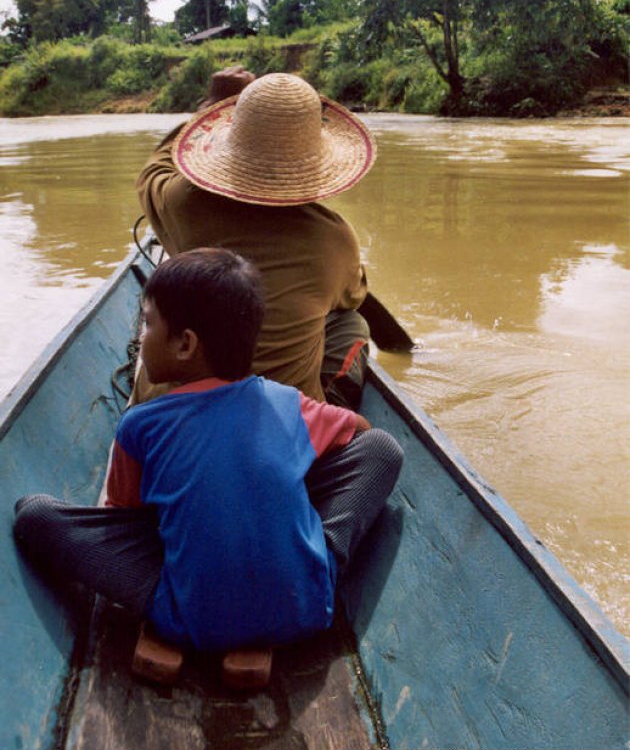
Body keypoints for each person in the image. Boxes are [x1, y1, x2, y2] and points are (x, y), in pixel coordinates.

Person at [14, 249, 403, 653]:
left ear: (185, 344)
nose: (139, 337)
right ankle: (315, 561)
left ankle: (188, 598)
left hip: (192, 620)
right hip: (308, 611)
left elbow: (125, 523)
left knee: (35, 514)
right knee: (384, 449)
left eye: (147, 323)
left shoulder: (139, 426)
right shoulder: (288, 403)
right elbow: (364, 433)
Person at [134, 68, 378, 410]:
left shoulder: (182, 203)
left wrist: (211, 107)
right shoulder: (333, 240)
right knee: (352, 322)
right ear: (317, 161)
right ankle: (330, 415)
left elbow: (153, 171)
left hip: (170, 412)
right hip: (277, 421)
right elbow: (353, 297)